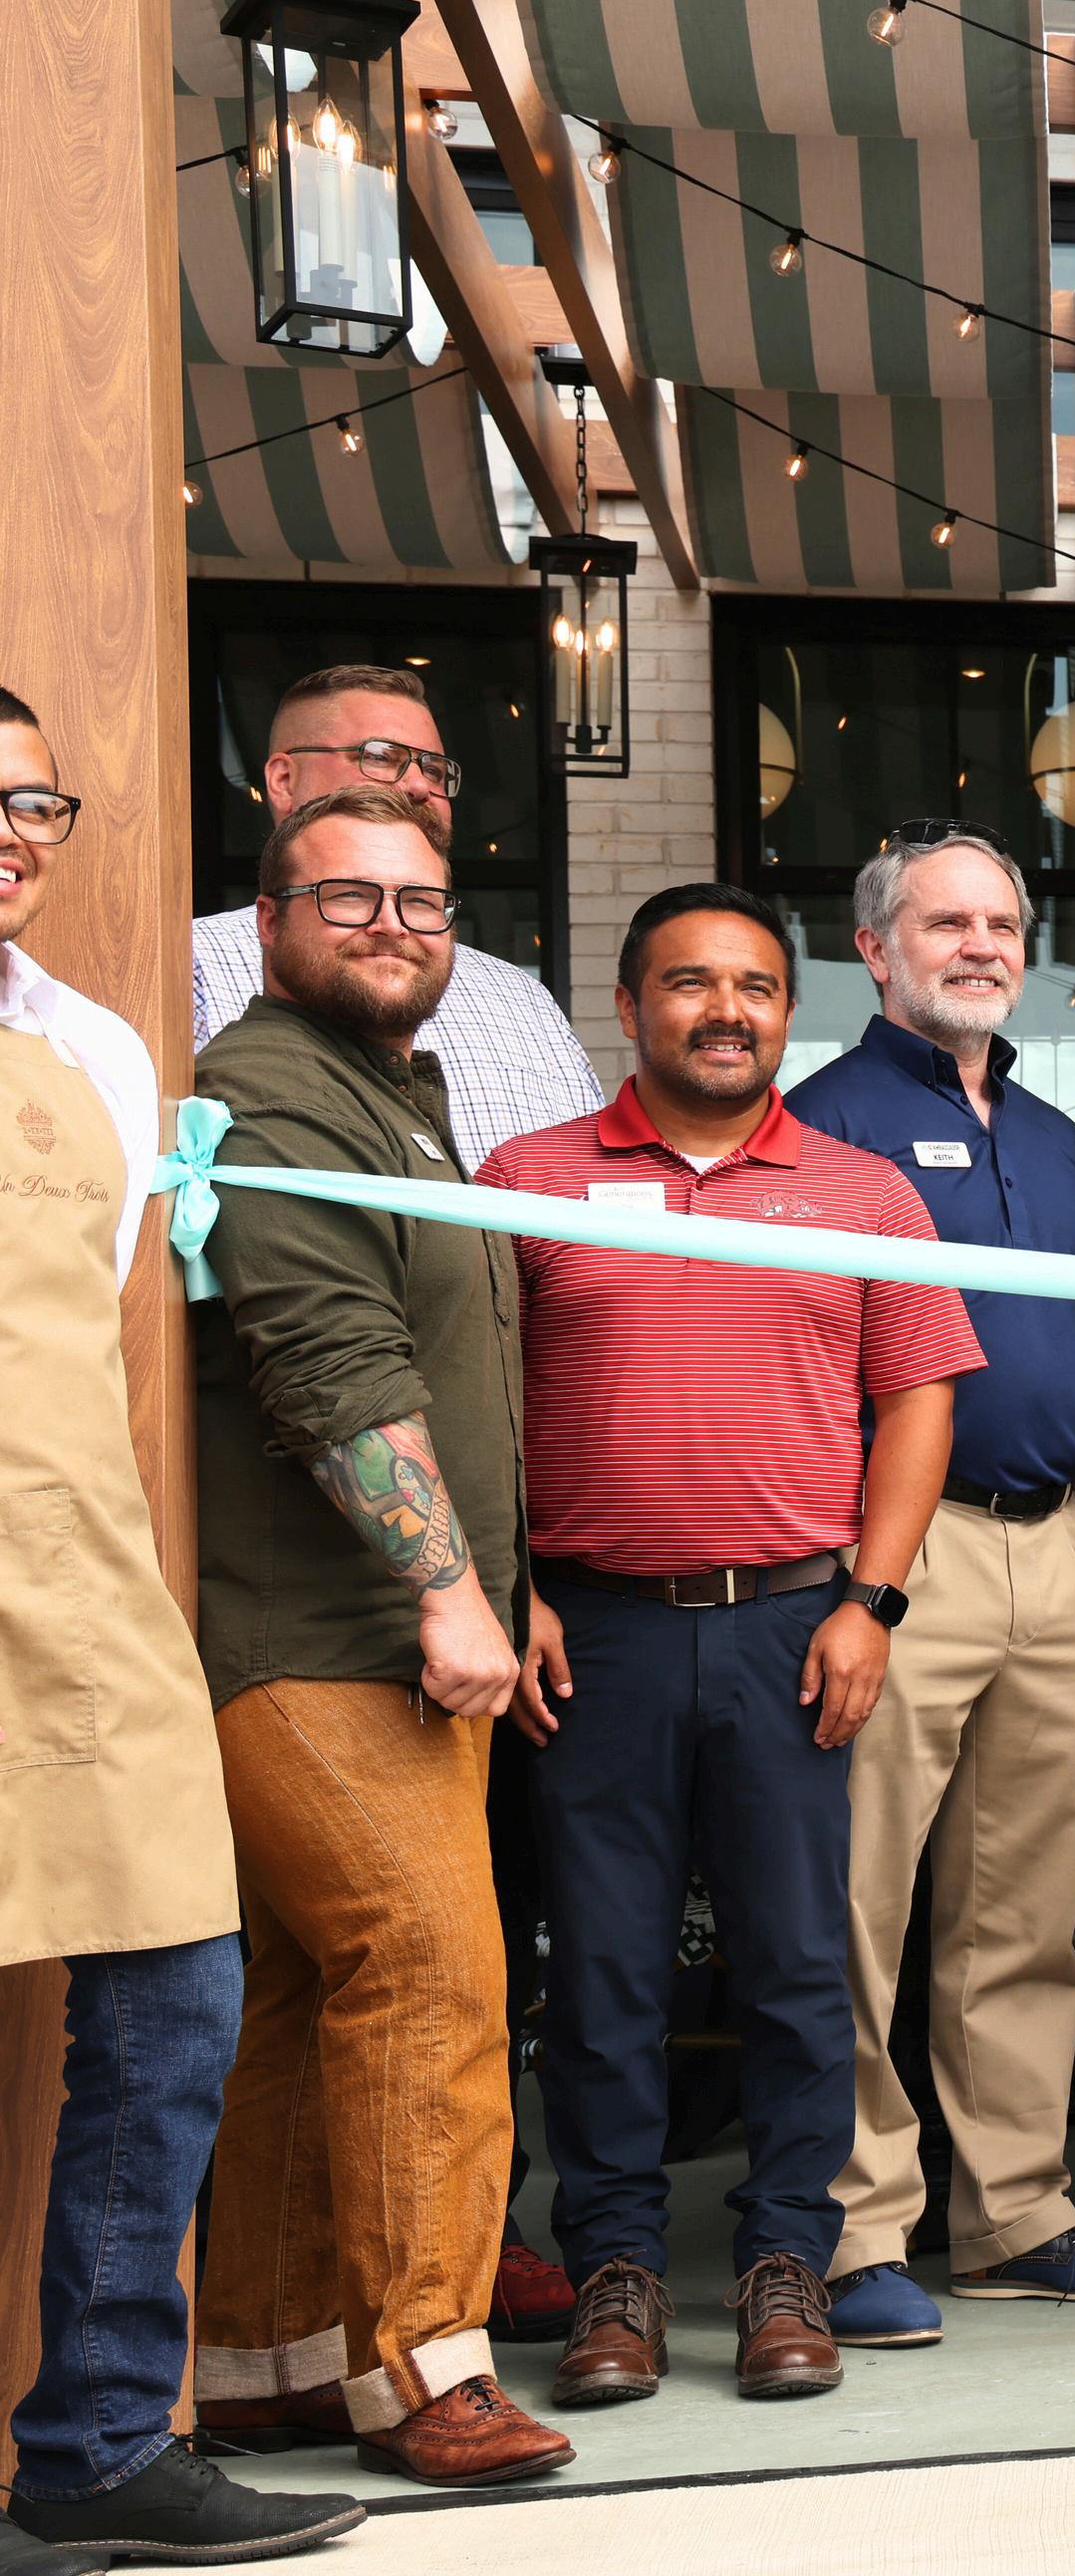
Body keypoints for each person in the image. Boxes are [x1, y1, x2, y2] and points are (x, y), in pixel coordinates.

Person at [479, 881, 983, 2404]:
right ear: (629, 1007)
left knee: (796, 1963)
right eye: (692, 983)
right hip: (594, 1636)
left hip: (792, 1630)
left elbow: (918, 1405)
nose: (726, 1011)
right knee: (603, 1975)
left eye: (756, 987)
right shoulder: (526, 1177)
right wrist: (511, 1587)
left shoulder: (863, 1193)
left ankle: (784, 2263)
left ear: (788, 1012)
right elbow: (471, 1398)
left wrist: (871, 1603)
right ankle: (617, 2273)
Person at [185, 660, 601, 2342]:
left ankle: (271, 2350)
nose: (391, 923)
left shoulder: (397, 1096)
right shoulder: (276, 1087)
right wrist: (446, 1590)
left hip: (414, 1626)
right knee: (435, 1972)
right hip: (323, 1634)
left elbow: (460, 1370)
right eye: (348, 895)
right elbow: (334, 1366)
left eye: (421, 900)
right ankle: (432, 2360)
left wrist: (506, 1577)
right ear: (272, 915)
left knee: (307, 1990)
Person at [0, 690, 363, 2576]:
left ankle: (98, 2449)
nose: (11, 831)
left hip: (74, 1572)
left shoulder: (98, 1048)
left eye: (32, 800)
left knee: (179, 1991)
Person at [782, 827, 1075, 2345]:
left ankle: (1017, 2213)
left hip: (1054, 1549)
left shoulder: (1063, 1139)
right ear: (873, 950)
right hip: (901, 1554)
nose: (979, 946)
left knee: (1024, 1913)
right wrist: (856, 1572)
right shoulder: (821, 1124)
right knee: (858, 1909)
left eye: (1001, 923)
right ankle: (851, 2230)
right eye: (945, 922)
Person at [189, 663, 606, 1171]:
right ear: (283, 780)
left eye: (434, 770)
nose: (417, 785)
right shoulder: (191, 964)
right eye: (381, 757)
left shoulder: (524, 1000)